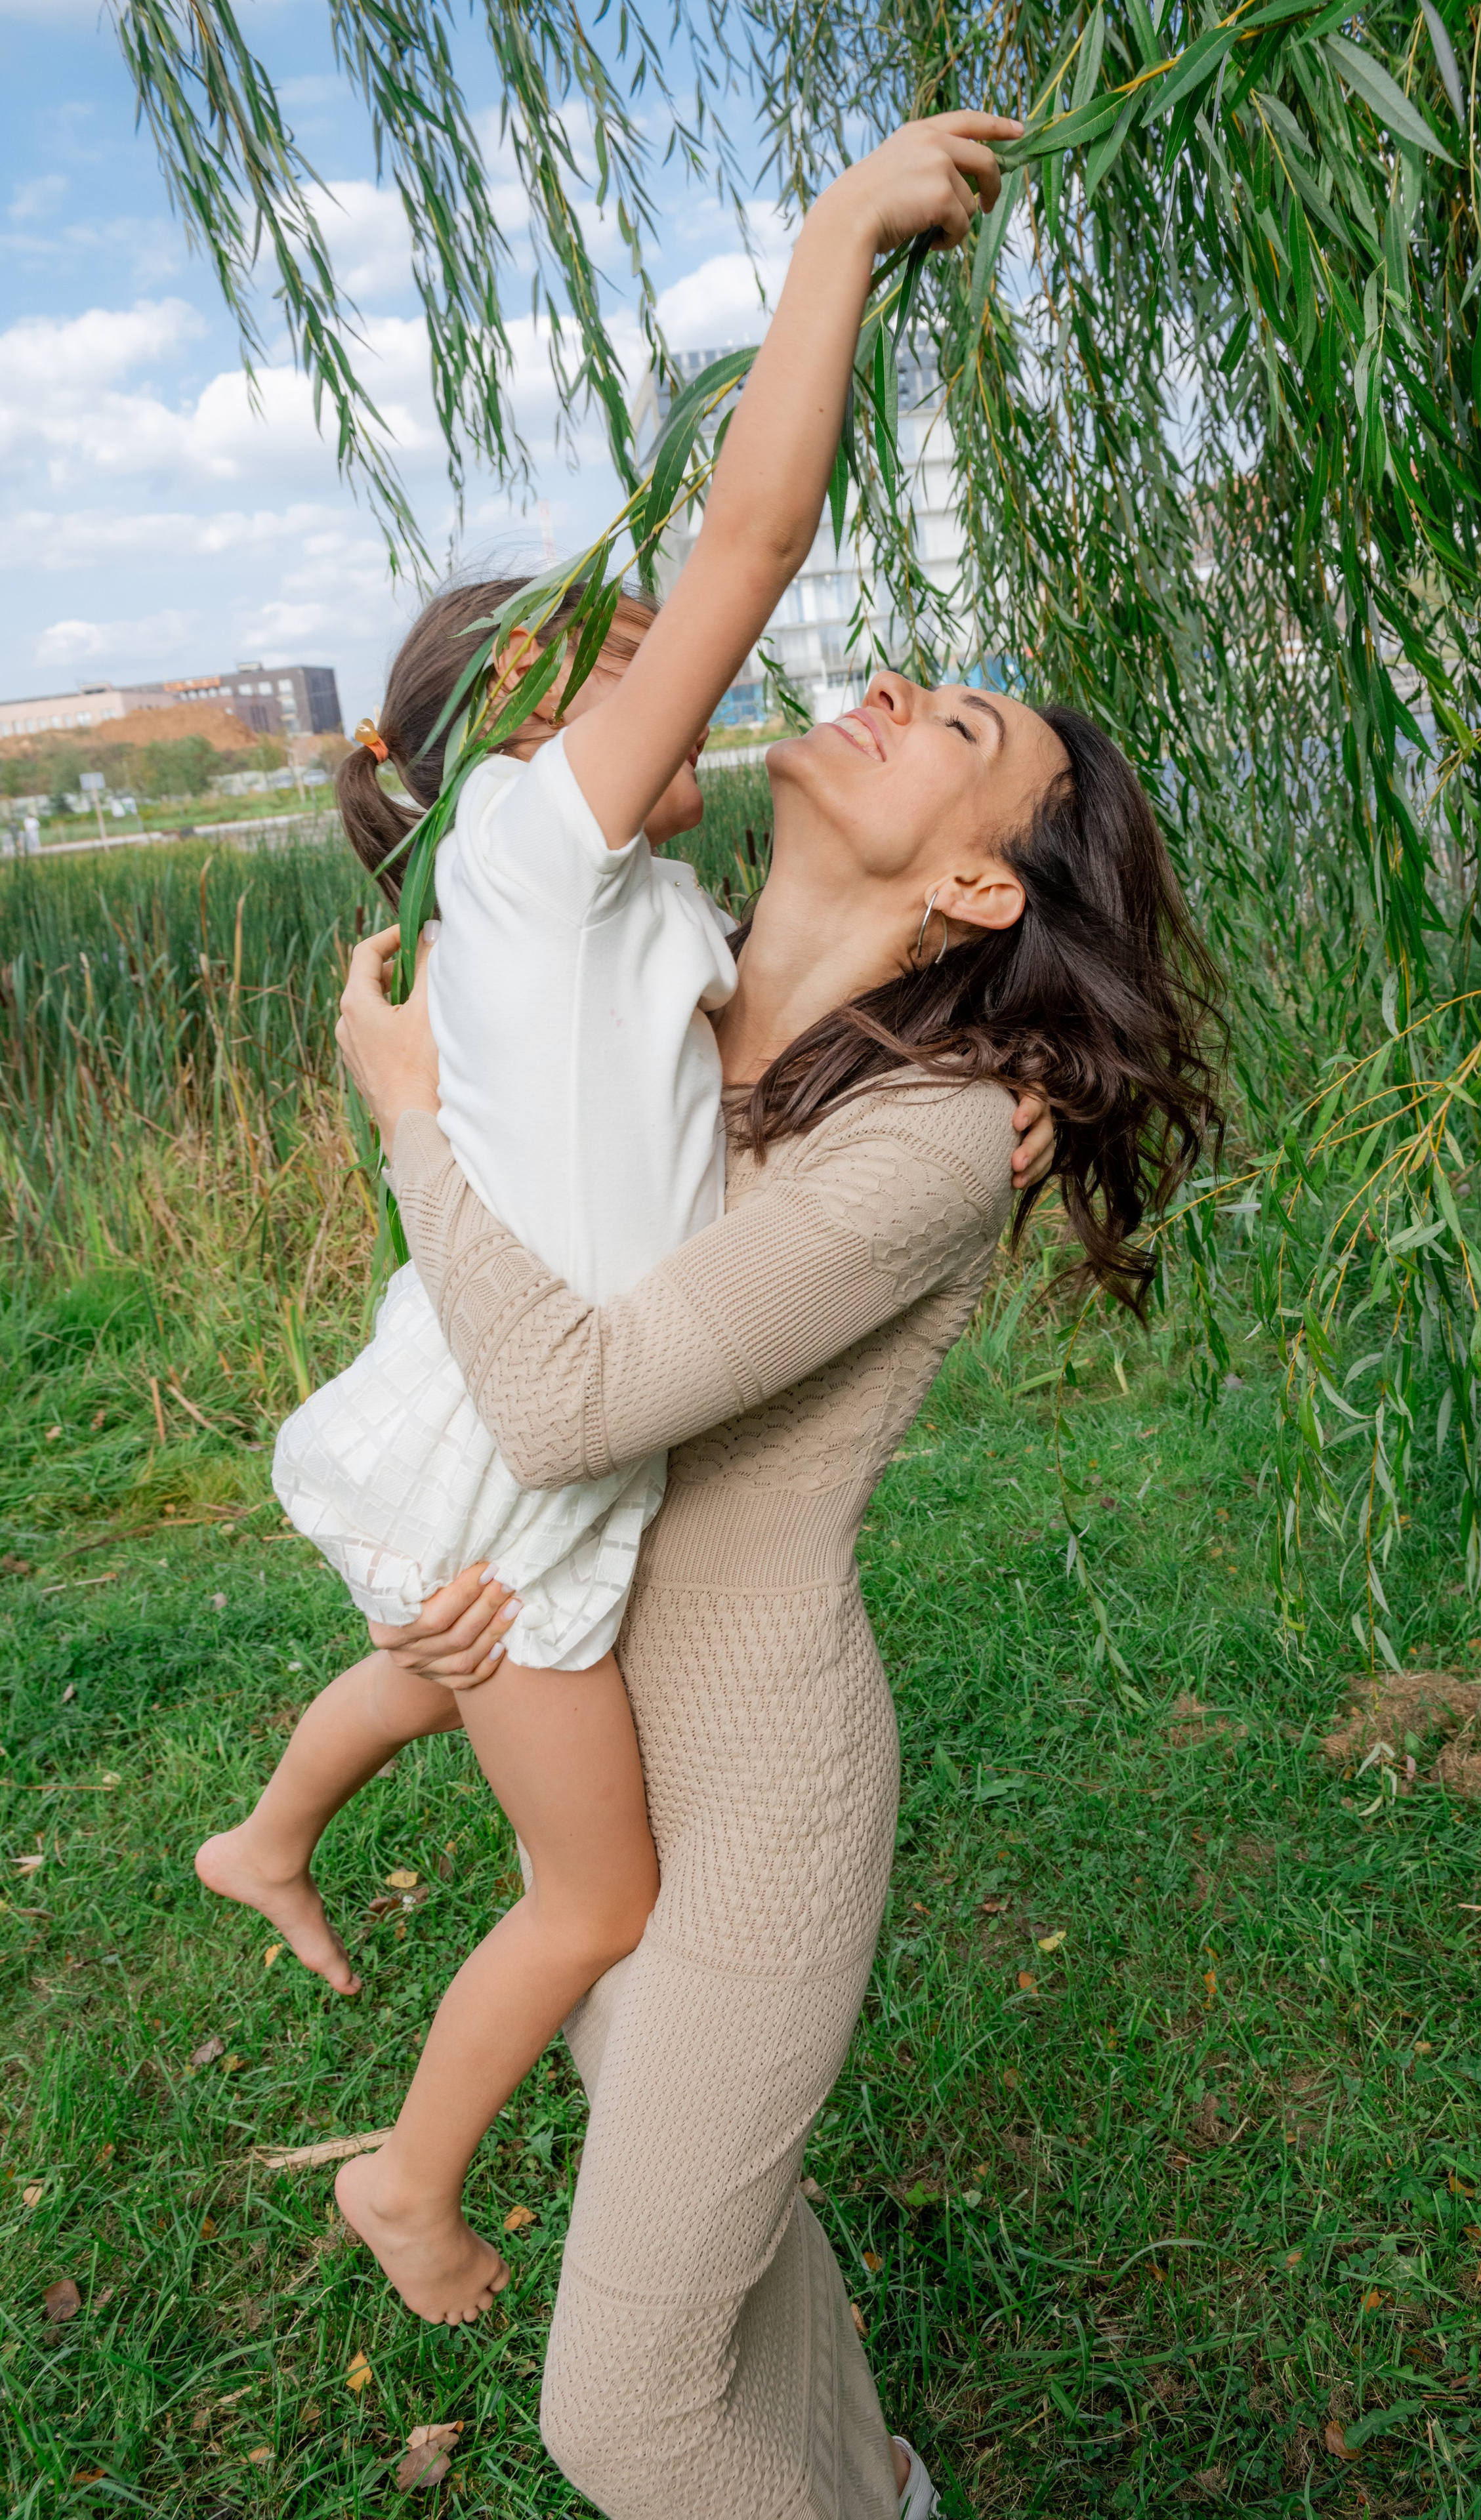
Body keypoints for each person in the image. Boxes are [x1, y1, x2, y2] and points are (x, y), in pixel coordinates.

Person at [334, 112, 1224, 2520]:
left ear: (968, 877)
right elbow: (557, 1360)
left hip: (752, 1817)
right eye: (927, 677)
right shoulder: (687, 984)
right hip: (614, 1762)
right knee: (730, 2278)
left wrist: (403, 1108)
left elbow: (568, 1370)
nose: (901, 690)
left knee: (613, 2405)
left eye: (967, 730)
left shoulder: (937, 1140)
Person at [194, 114, 1053, 2348]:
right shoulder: (534, 842)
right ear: (526, 727)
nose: (693, 654)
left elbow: (779, 1092)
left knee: (462, 1652)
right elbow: (755, 527)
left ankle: (276, 1837)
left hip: (526, 1434)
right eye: (636, 648)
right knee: (596, 1883)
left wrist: (1011, 1097)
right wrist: (840, 238)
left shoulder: (636, 899)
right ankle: (412, 2175)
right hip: (529, 1432)